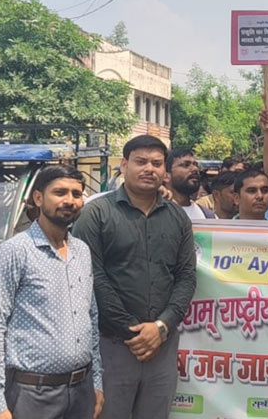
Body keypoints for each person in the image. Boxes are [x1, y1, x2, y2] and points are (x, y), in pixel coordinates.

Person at [72, 135, 196, 419]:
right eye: (141, 162)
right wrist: (135, 332)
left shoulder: (178, 218)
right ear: (124, 165)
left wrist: (162, 326)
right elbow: (91, 276)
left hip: (162, 345)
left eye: (156, 163)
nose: (149, 169)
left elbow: (186, 276)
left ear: (165, 171)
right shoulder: (96, 214)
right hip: (111, 345)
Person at [0, 166, 104, 419]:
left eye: (76, 194)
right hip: (31, 394)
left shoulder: (81, 251)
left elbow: (91, 319)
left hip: (81, 391)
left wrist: (96, 382)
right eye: (59, 192)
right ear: (38, 198)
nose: (69, 200)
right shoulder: (14, 252)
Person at [165, 148, 215, 219]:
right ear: (166, 176)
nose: (195, 169)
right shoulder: (154, 213)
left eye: (196, 165)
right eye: (186, 165)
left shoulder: (207, 215)